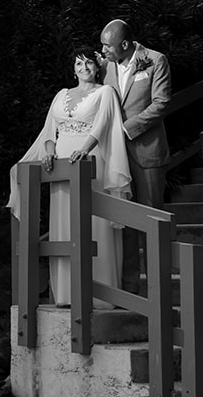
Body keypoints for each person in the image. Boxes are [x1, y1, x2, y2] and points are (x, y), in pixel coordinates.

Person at [8, 48, 130, 305]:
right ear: (72, 69)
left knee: (93, 220)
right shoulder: (61, 95)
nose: (83, 67)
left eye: (88, 63)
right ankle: (65, 293)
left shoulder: (105, 92)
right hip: (60, 166)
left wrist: (83, 150)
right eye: (78, 63)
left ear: (97, 68)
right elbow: (50, 130)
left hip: (89, 159)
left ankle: (100, 294)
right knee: (64, 222)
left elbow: (102, 125)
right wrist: (49, 153)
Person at [99, 18, 171, 209]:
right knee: (124, 217)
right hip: (115, 155)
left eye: (107, 46)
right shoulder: (105, 66)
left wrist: (125, 129)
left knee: (151, 211)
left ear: (124, 44)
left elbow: (161, 104)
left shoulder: (155, 60)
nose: (103, 51)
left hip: (146, 150)